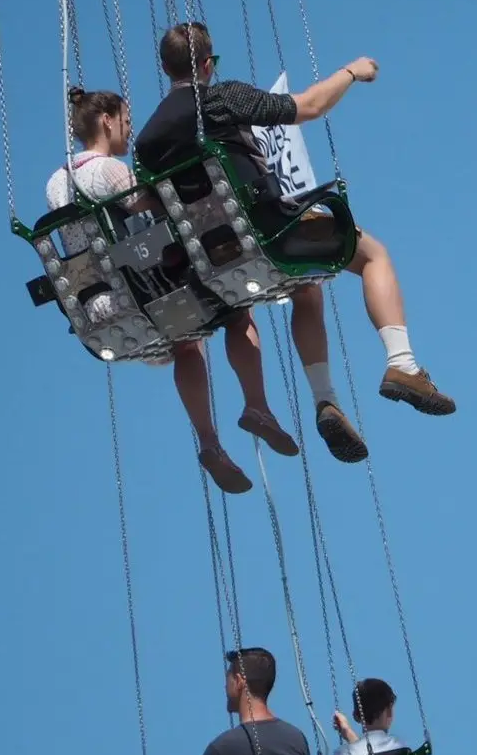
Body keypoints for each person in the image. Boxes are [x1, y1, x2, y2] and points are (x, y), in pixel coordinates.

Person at [134, 22, 455, 465]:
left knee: (308, 286)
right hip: (267, 229)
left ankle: (326, 401)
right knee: (373, 255)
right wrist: (351, 72)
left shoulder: (146, 141)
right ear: (207, 64)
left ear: (165, 68)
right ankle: (402, 363)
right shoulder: (222, 99)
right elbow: (309, 106)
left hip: (207, 253)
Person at [45, 87, 299, 494]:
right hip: (140, 288)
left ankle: (209, 442)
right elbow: (154, 205)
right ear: (106, 120)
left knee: (186, 342)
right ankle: (258, 406)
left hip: (95, 302)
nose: (129, 129)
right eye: (126, 120)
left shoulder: (56, 182)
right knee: (238, 306)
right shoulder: (108, 170)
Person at [150, 648, 313, 755]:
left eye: (228, 679)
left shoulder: (226, 747)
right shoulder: (297, 739)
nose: (225, 687)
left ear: (239, 682)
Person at [327, 678, 410, 755]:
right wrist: (348, 733)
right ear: (389, 711)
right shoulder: (400, 747)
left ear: (356, 716)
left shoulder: (345, 753)